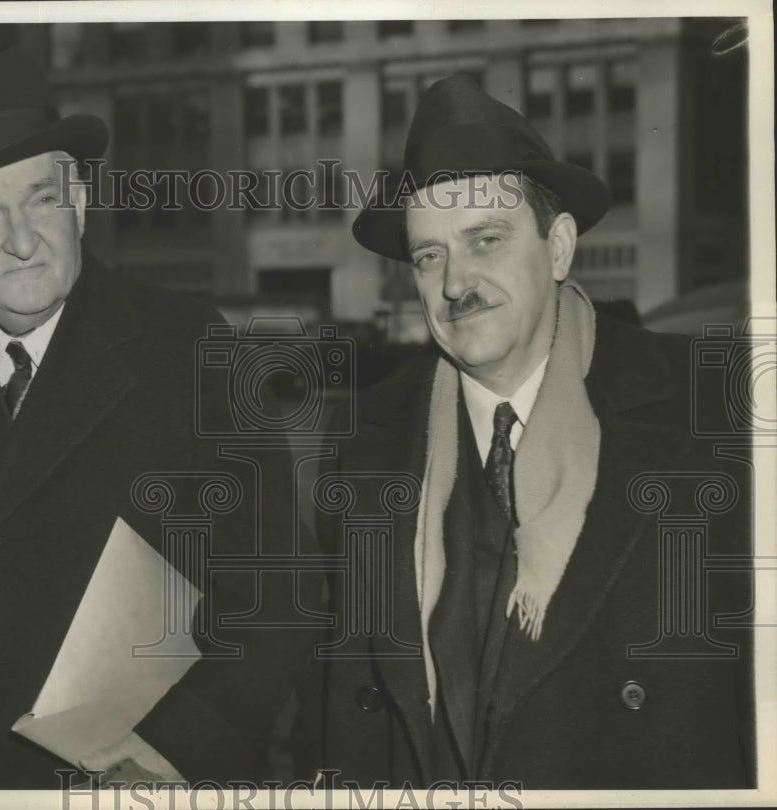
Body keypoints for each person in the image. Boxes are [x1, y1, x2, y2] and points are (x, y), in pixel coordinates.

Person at [0, 46, 314, 789]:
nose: (21, 240)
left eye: (41, 199)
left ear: (79, 200)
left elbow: (278, 591)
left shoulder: (190, 349)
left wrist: (175, 753)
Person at [293, 75, 754, 789]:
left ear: (559, 246)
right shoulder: (364, 442)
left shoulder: (714, 412)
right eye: (428, 255)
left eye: (485, 240)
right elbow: (336, 702)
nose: (455, 282)